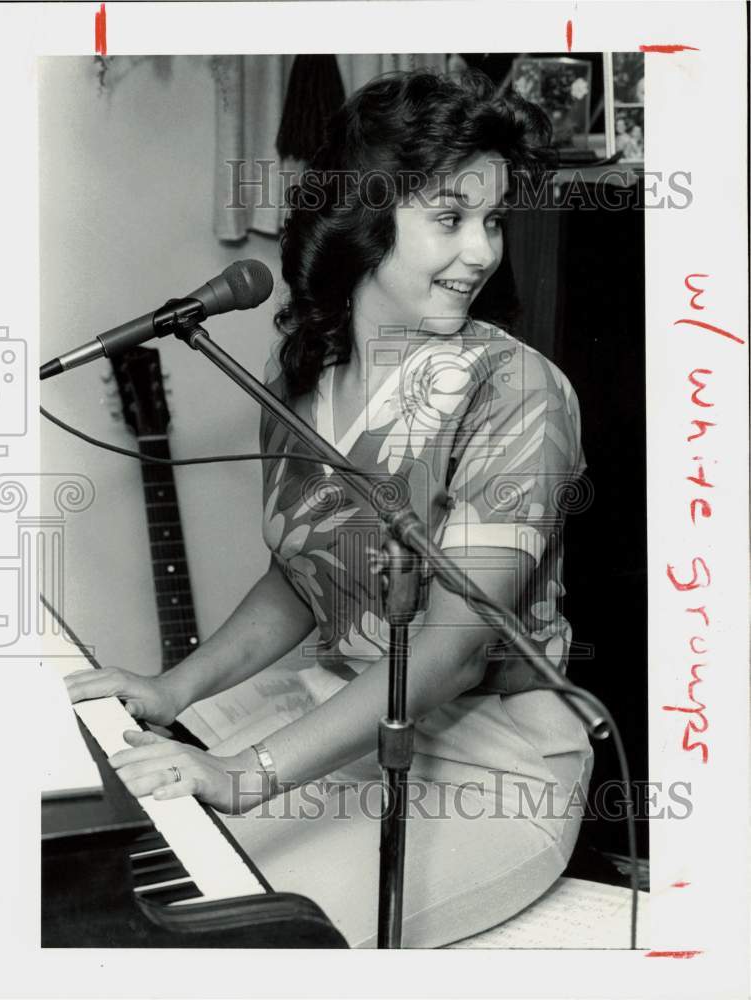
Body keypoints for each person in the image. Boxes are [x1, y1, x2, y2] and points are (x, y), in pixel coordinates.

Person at [66, 70, 593, 948]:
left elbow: (451, 653)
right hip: (345, 706)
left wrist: (246, 771)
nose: (483, 252)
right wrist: (172, 688)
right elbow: (303, 575)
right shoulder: (301, 380)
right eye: (450, 217)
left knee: (246, 937)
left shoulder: (520, 394)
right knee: (139, 860)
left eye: (493, 220)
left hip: (489, 758)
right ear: (362, 215)